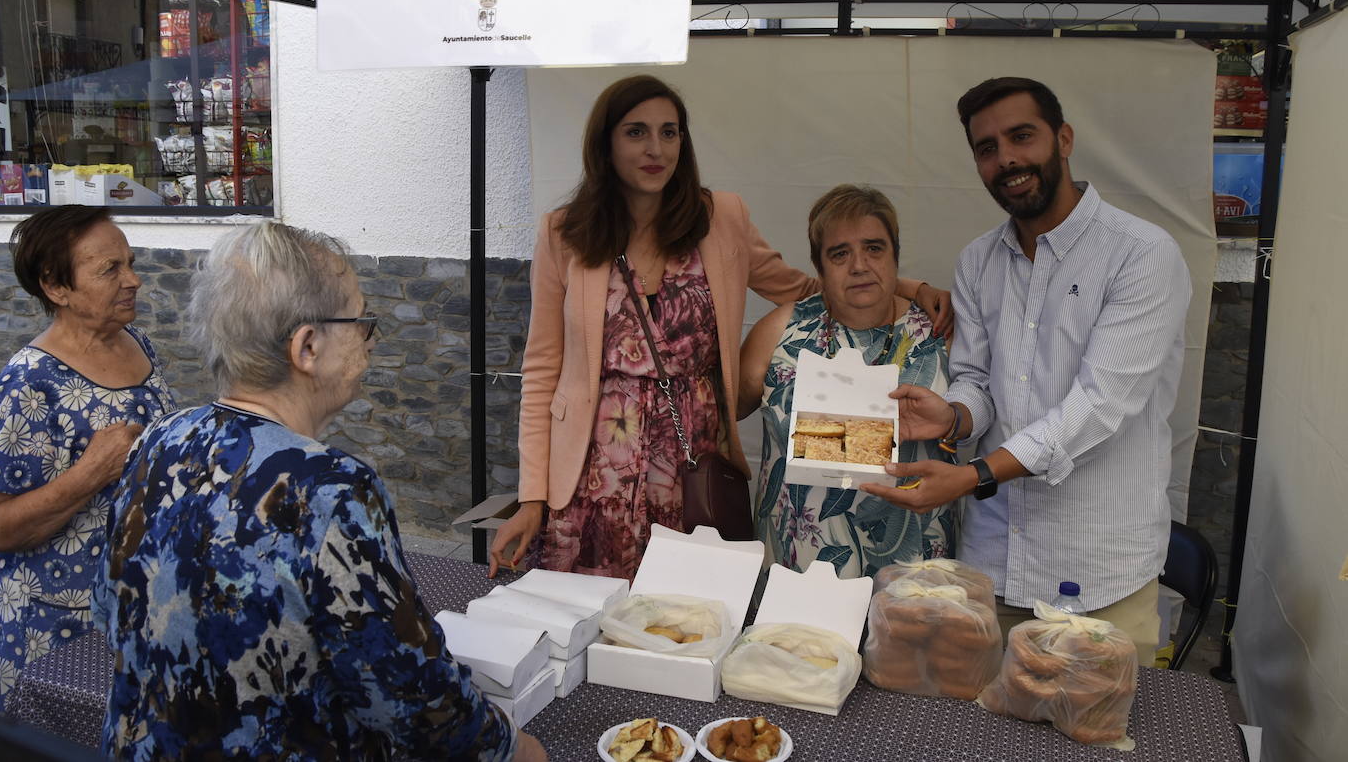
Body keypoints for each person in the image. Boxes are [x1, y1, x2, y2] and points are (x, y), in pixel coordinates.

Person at [92, 223, 545, 762]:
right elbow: (412, 701)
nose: (370, 338)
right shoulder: (330, 488)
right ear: (307, 346)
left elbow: (109, 608)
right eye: (360, 322)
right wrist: (516, 749)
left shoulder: (162, 437)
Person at [489, 75, 952, 579]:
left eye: (670, 132)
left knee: (688, 616)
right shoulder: (564, 233)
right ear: (605, 143)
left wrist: (904, 285)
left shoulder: (721, 218)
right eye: (636, 132)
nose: (655, 148)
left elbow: (806, 289)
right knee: (593, 621)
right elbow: (540, 371)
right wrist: (532, 497)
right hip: (594, 471)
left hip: (694, 467)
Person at [866, 77, 1191, 666]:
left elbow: (1098, 407)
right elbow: (977, 382)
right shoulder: (978, 261)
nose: (1006, 159)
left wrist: (973, 476)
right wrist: (956, 414)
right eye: (987, 148)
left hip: (1098, 577)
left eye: (1022, 136)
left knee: (1097, 742)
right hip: (994, 570)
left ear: (1063, 139)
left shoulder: (1142, 255)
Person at [0, 206, 175, 709]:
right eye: (110, 269)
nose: (133, 280)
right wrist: (90, 473)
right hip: (55, 623)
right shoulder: (27, 385)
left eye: (130, 263)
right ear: (56, 287)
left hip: (136, 606)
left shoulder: (138, 343)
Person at [738, 185, 955, 579]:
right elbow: (720, 413)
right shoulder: (780, 333)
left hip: (913, 575)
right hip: (797, 570)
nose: (858, 265)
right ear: (819, 268)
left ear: (895, 256)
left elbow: (982, 421)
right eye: (840, 254)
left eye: (874, 248)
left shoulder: (942, 334)